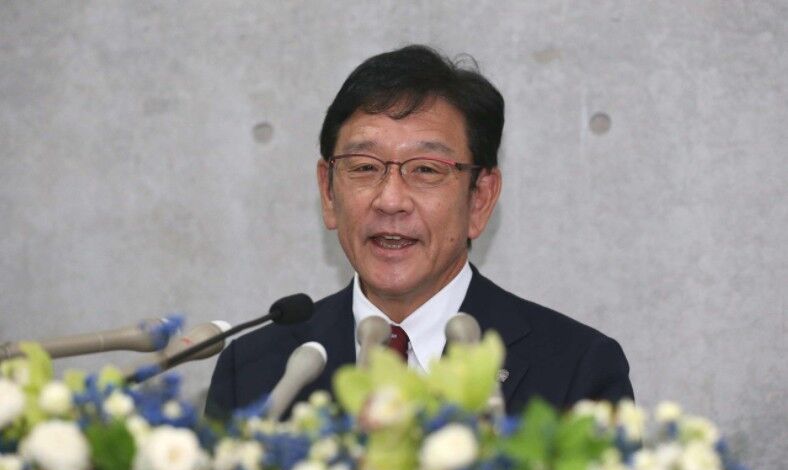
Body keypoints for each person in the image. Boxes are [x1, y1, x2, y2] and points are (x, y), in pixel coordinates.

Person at [206, 45, 633, 419]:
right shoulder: (255, 369)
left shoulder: (576, 369)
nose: (391, 200)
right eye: (364, 167)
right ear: (328, 192)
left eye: (426, 170)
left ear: (480, 198)